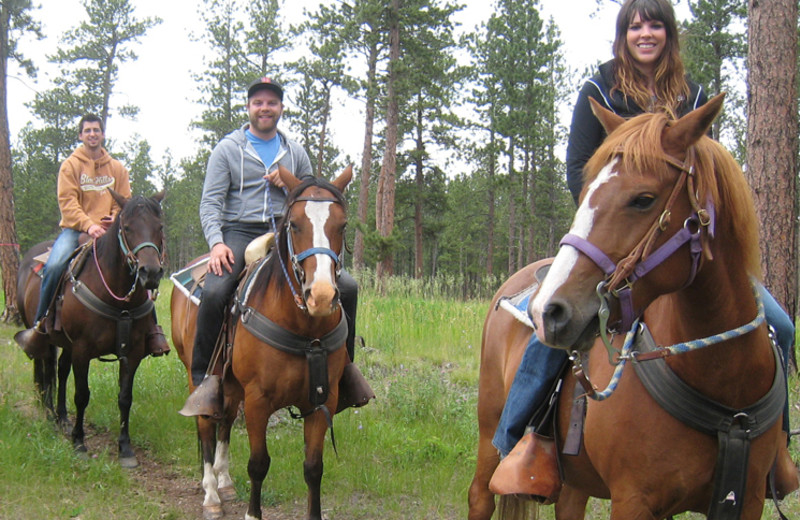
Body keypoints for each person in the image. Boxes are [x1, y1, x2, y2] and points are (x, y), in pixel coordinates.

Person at [493, 0, 797, 496]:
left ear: (669, 33)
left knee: (779, 326)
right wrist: (609, 224)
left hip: (679, 245)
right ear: (623, 34)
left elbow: (709, 174)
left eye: (655, 24)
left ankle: (776, 452)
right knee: (552, 322)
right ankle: (524, 442)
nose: (646, 33)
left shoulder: (690, 94)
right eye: (636, 26)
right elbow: (578, 169)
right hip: (607, 237)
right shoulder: (599, 88)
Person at [181, 77, 369, 417]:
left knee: (349, 287)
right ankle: (205, 381)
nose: (265, 108)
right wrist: (218, 243)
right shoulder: (228, 149)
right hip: (239, 230)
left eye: (271, 103)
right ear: (249, 108)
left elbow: (312, 198)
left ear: (280, 109)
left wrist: (289, 186)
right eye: (258, 103)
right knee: (216, 290)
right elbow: (210, 203)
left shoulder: (295, 152)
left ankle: (345, 371)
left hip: (288, 233)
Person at [15, 114, 169, 359]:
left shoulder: (117, 168)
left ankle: (152, 330)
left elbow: (125, 203)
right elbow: (68, 202)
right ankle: (41, 325)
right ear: (80, 135)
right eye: (87, 130)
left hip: (111, 231)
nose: (92, 134)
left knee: (140, 265)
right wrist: (89, 225)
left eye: (96, 130)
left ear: (103, 134)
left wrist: (113, 219)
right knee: (55, 265)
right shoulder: (70, 166)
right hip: (76, 230)